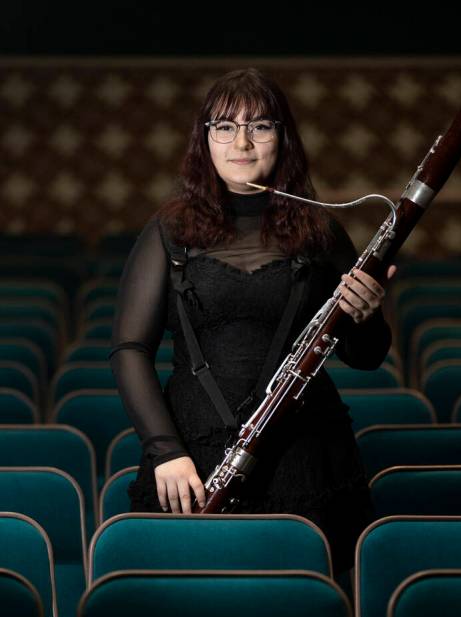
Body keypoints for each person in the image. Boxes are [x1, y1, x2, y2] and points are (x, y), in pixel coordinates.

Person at [109, 67, 395, 583]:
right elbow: (129, 347)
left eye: (260, 126)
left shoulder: (319, 231)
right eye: (224, 126)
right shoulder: (169, 230)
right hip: (191, 460)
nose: (241, 142)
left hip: (306, 455)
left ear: (282, 138)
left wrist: (366, 314)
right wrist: (164, 451)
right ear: (205, 140)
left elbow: (365, 355)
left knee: (304, 602)